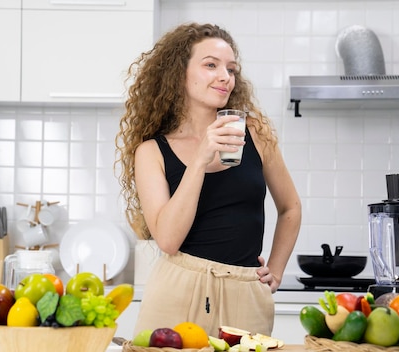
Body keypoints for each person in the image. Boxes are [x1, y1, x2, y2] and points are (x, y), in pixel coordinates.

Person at [115, 23, 301, 337]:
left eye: (231, 69)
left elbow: (290, 208)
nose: (225, 76)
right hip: (177, 289)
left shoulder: (254, 134)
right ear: (178, 73)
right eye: (211, 65)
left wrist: (278, 270)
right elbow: (168, 240)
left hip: (247, 292)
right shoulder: (152, 152)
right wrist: (201, 158)